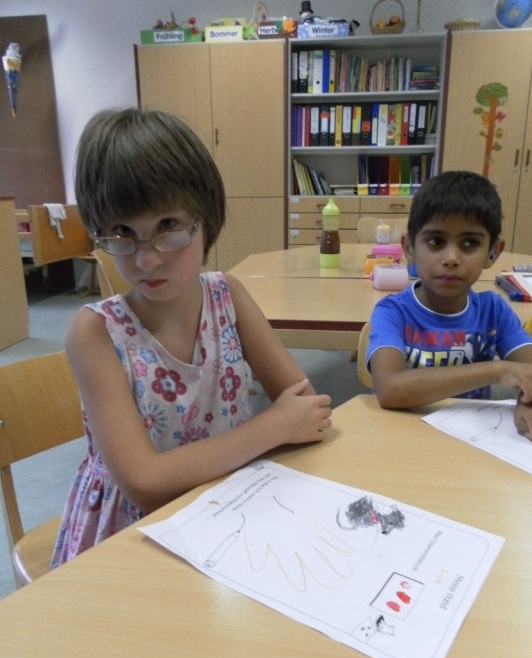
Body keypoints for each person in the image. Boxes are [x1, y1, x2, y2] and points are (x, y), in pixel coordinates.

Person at [51, 107, 332, 568]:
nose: (147, 260)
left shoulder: (228, 295)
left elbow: (306, 405)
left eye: (168, 228)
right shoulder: (94, 332)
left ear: (205, 218)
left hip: (226, 504)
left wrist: (284, 421)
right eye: (122, 233)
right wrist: (270, 427)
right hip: (130, 534)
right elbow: (144, 480)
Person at [365, 170, 532, 438]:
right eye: (435, 241)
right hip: (399, 440)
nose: (451, 258)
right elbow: (389, 389)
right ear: (409, 249)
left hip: (474, 442)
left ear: (493, 253)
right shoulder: (392, 311)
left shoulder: (494, 311)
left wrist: (527, 402)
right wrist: (499, 370)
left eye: (469, 243)